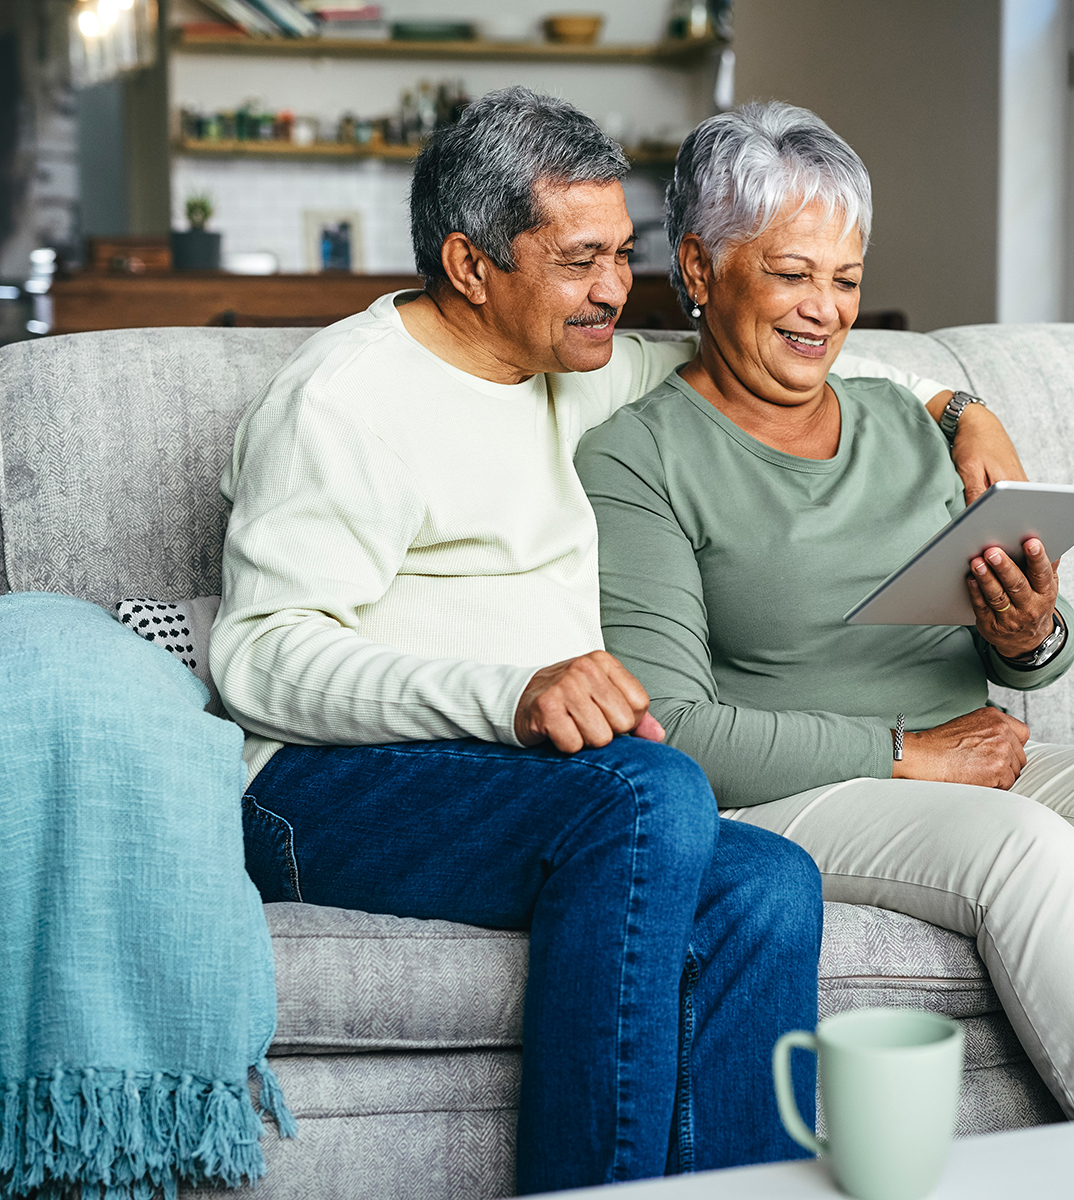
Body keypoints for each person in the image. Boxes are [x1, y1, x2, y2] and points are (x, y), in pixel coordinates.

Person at [211, 89, 1028, 1194]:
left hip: (524, 781)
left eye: (623, 254)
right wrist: (508, 693)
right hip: (318, 788)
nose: (614, 289)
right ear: (469, 264)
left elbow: (811, 362)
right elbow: (258, 655)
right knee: (651, 789)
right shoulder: (345, 401)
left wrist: (957, 410)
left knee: (771, 883)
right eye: (580, 259)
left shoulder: (583, 363)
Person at [575, 101, 1074, 1122]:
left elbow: (1023, 656)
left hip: (966, 754)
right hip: (796, 790)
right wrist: (910, 754)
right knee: (1028, 848)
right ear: (702, 272)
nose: (824, 311)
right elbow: (678, 734)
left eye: (844, 281)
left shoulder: (906, 413)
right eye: (791, 273)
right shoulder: (641, 458)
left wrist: (1026, 637)